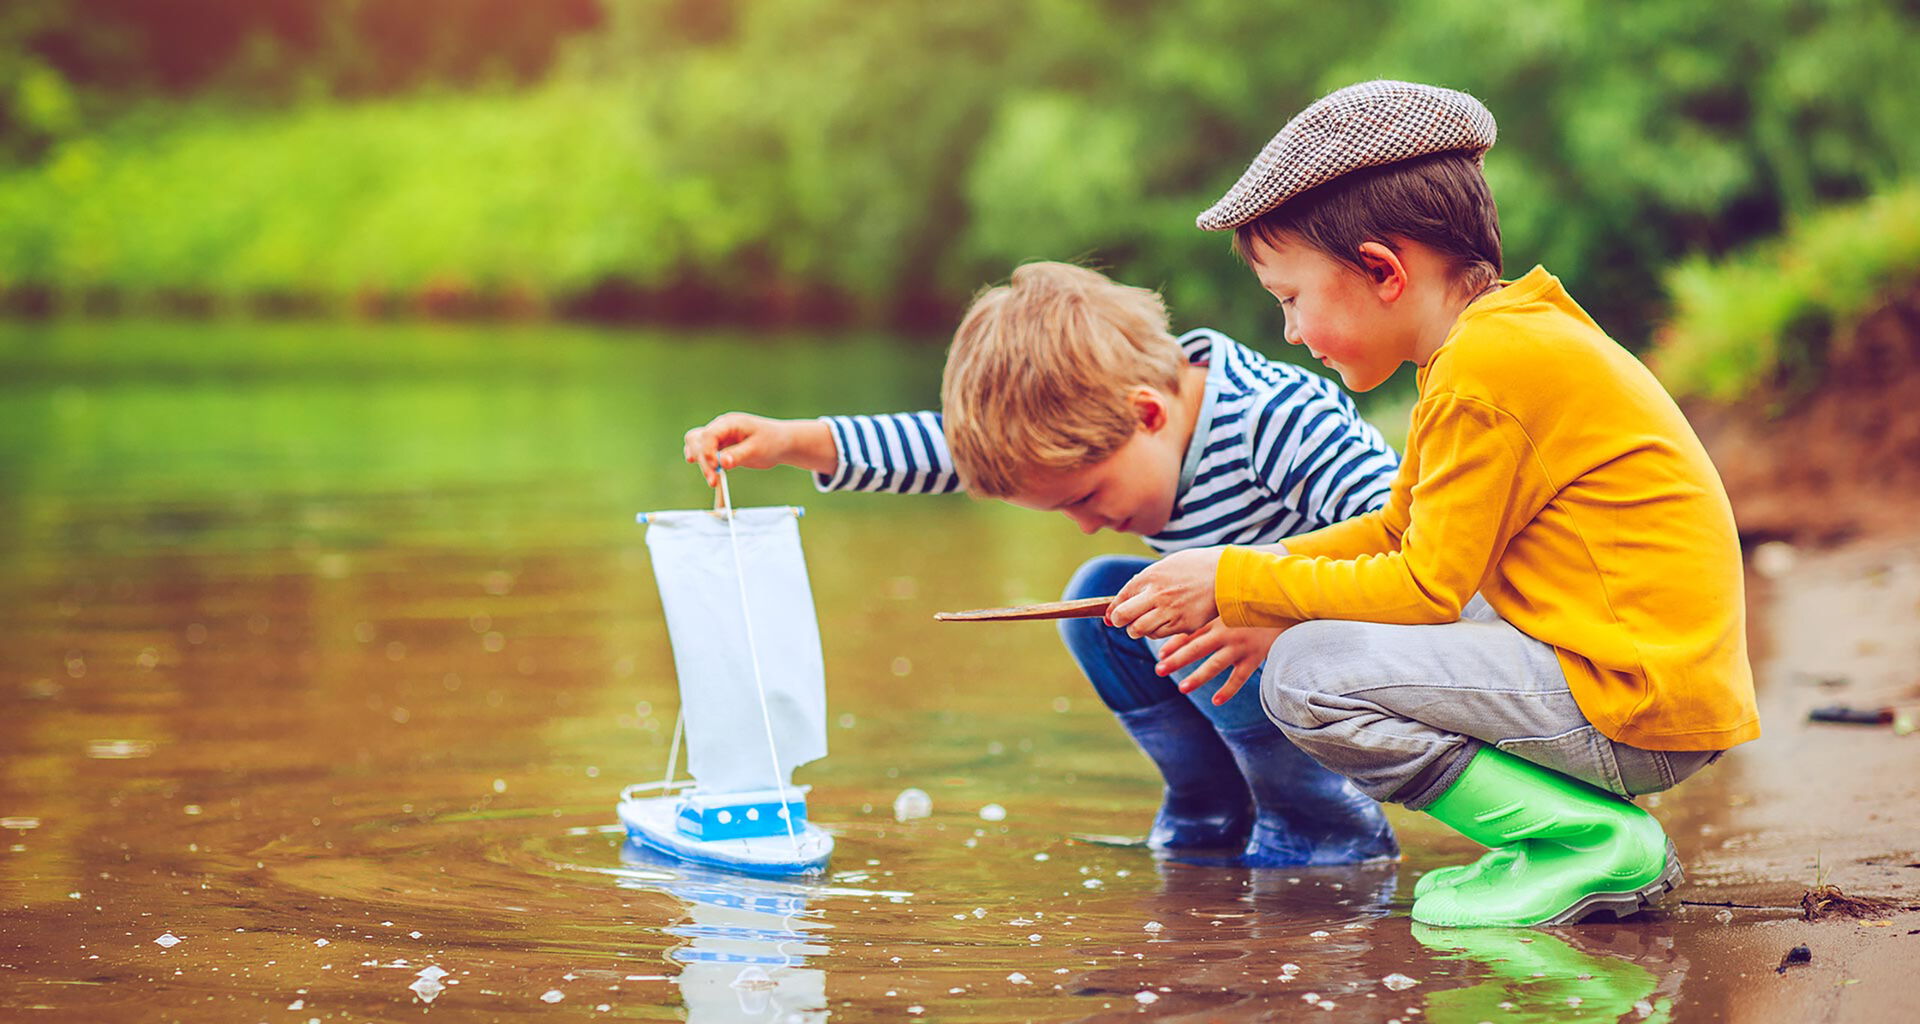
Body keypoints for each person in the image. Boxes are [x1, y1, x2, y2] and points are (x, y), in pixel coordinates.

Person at [1107, 81, 1759, 926]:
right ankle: (1575, 842)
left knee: (1307, 677)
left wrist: (1239, 583)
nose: (1291, 333)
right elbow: (1395, 527)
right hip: (1643, 678)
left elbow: (1424, 587)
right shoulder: (1494, 344)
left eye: (1291, 300)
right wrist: (1247, 576)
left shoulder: (1484, 373)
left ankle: (1586, 843)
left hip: (1634, 701)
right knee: (1314, 640)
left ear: (1383, 270)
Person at [683, 261, 1401, 867]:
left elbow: (1409, 541)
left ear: (1146, 414)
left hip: (1366, 655)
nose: (1086, 523)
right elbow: (939, 450)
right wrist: (791, 442)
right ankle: (1213, 810)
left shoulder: (1272, 421)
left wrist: (1273, 615)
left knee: (1198, 618)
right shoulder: (1112, 426)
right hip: (1261, 661)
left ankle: (1323, 831)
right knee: (1101, 602)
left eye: (1086, 496)